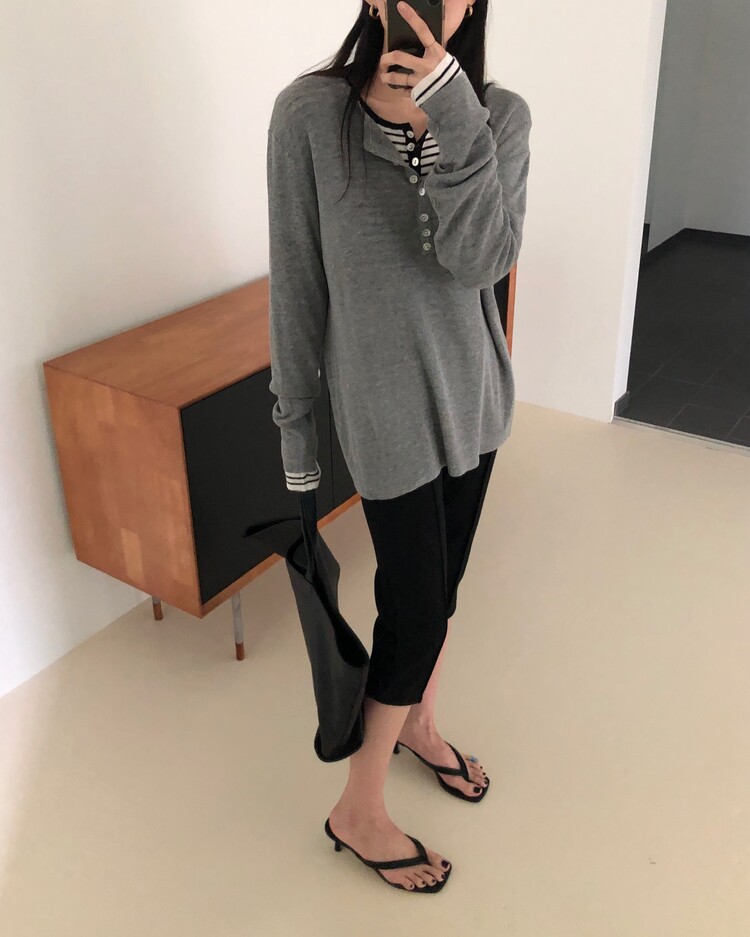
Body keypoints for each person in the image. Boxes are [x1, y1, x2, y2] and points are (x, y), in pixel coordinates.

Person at [266, 0, 532, 892]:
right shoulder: (310, 116)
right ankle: (359, 806)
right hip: (384, 418)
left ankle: (419, 721)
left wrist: (449, 118)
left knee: (442, 589)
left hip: (476, 403)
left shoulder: (499, 118)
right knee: (414, 606)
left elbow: (481, 262)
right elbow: (297, 283)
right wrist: (295, 424)